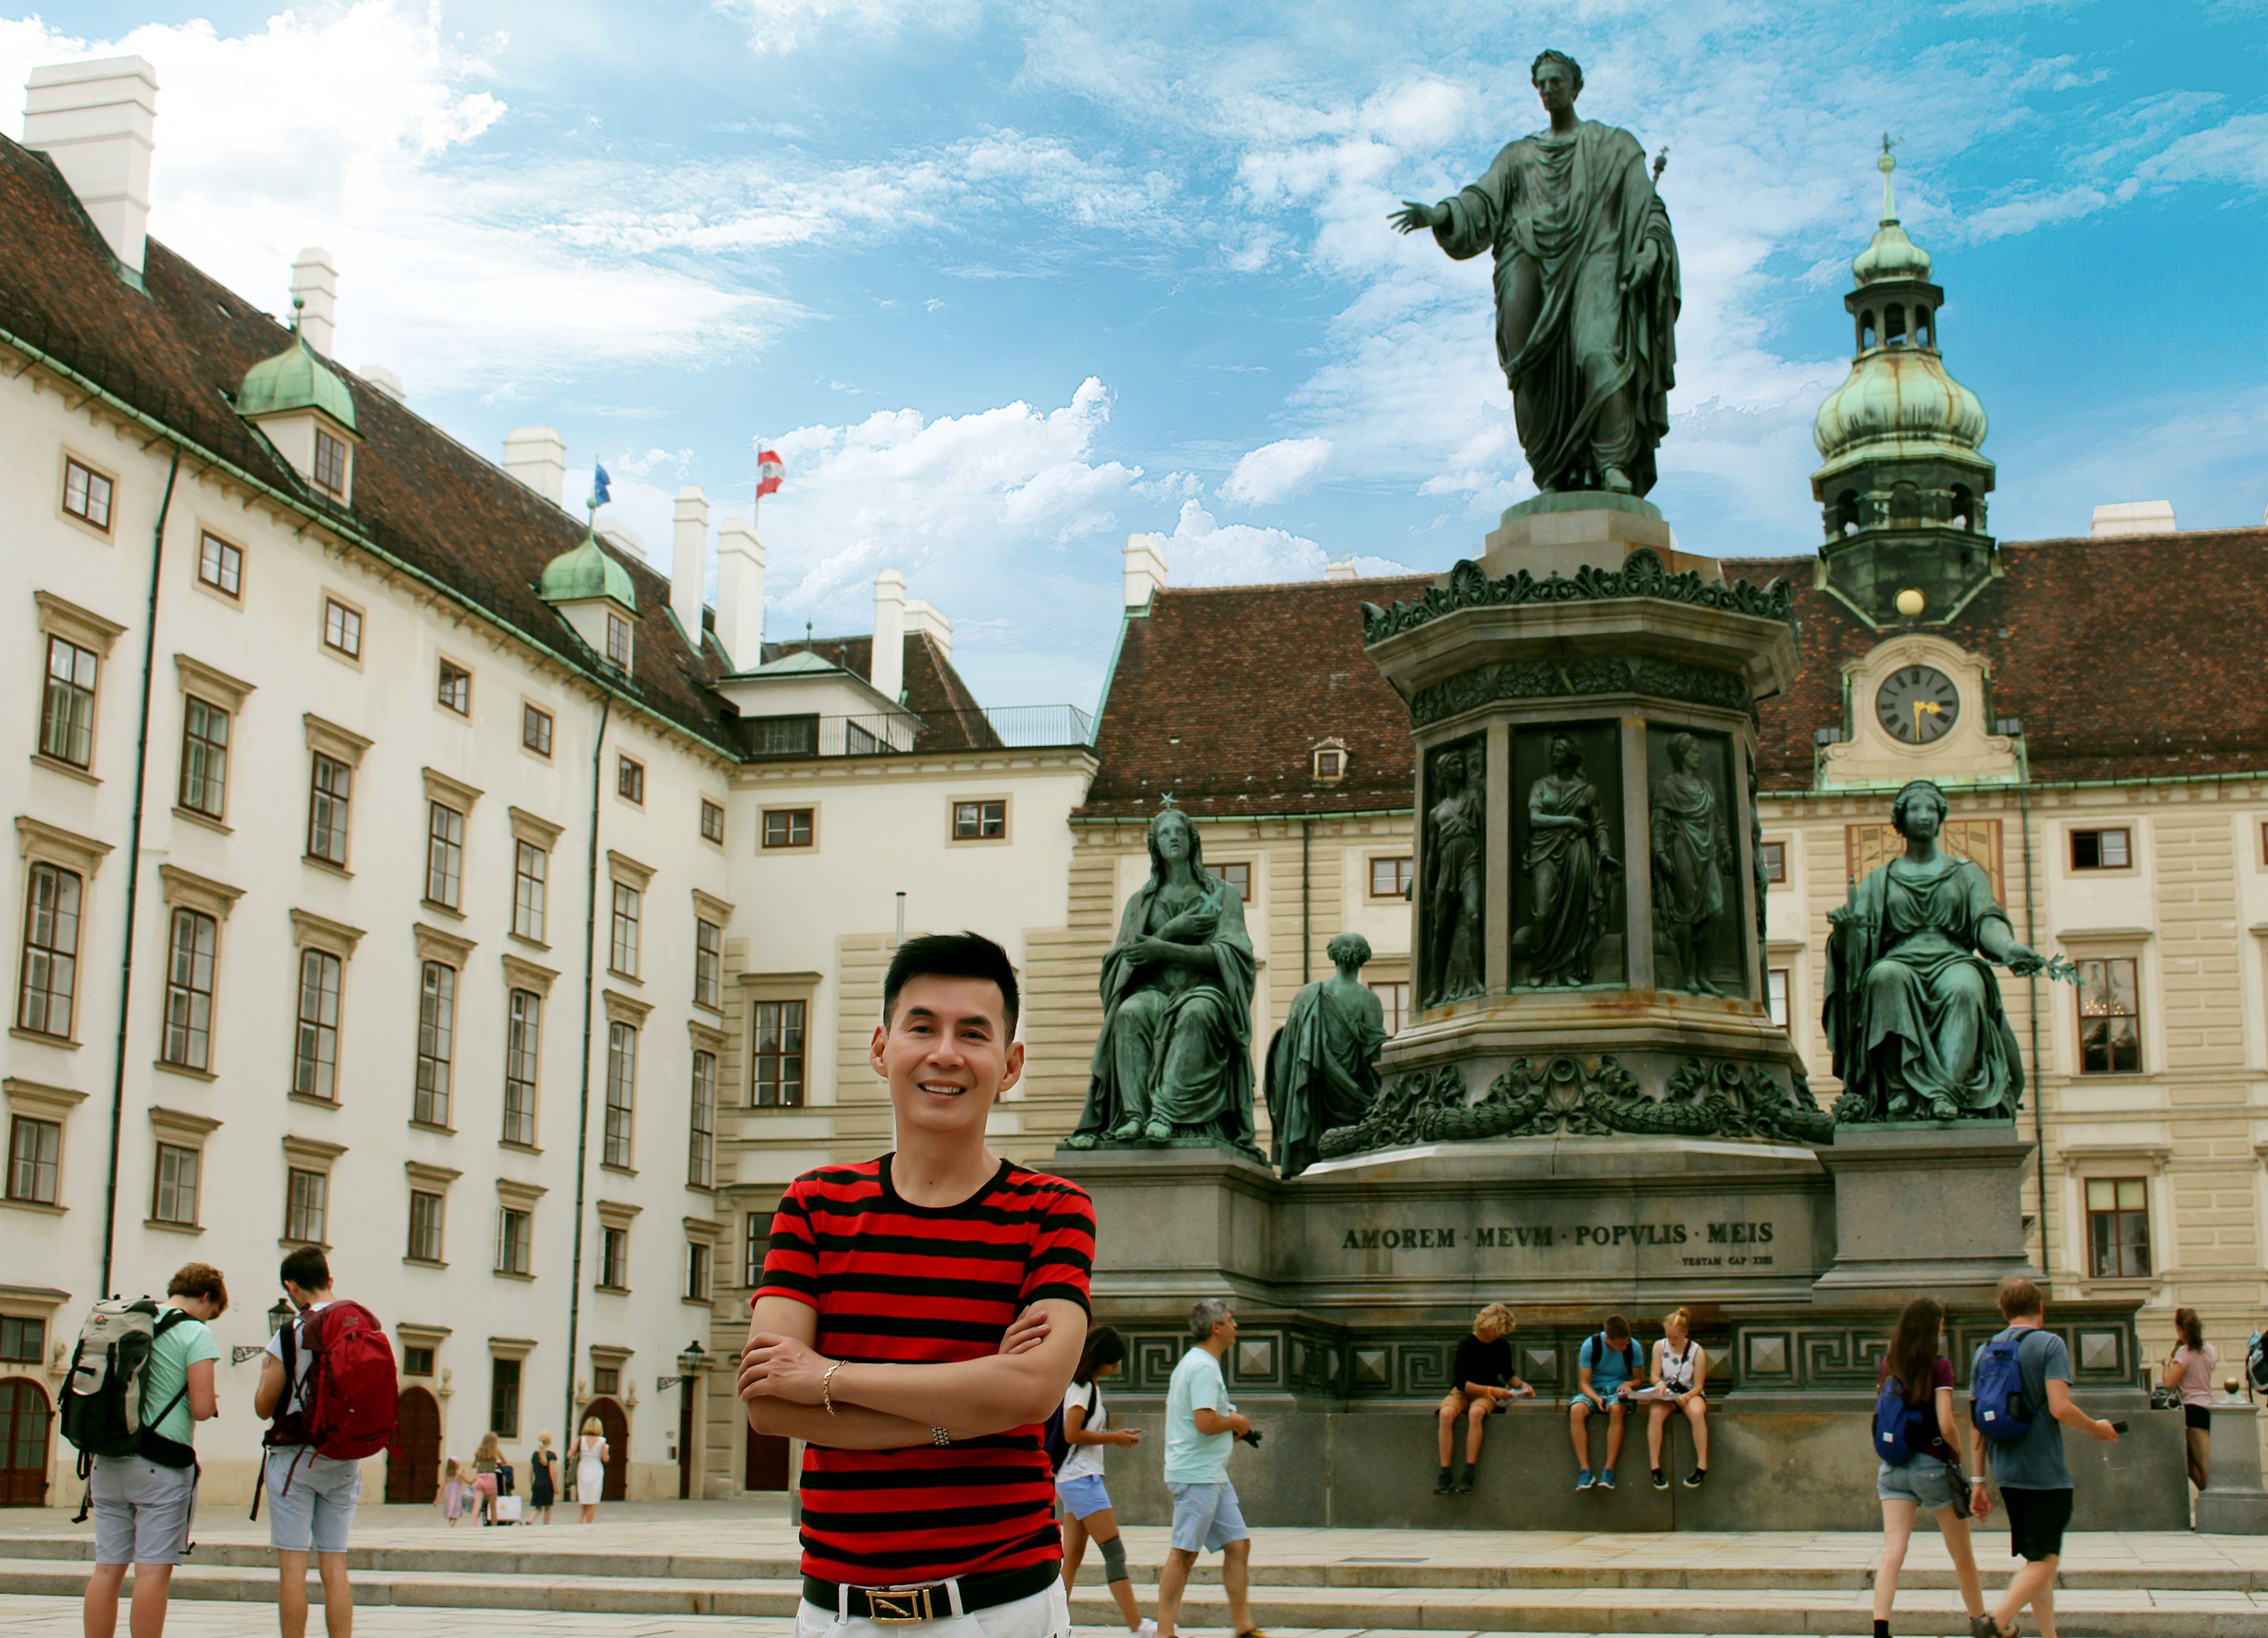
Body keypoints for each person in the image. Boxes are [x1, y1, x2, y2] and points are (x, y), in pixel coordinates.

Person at [740, 932, 1094, 1638]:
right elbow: (772, 1405)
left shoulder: (1053, 1208)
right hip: (838, 1611)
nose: (945, 1053)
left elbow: (1032, 1391)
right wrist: (965, 1406)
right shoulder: (812, 1202)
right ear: (881, 1047)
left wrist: (831, 1375)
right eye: (922, 1026)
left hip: (1001, 1608)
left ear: (1011, 1062)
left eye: (973, 1032)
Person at [1967, 1275, 2120, 1638]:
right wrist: (2098, 1429)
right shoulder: (2049, 1344)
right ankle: (1994, 1622)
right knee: (2046, 1558)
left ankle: (2048, 1635)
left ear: (2004, 1311)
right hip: (2045, 1472)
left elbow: (1976, 1424)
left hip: (2006, 1473)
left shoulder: (1983, 1350)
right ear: (2040, 1309)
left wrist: (1978, 1481)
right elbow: (2060, 1408)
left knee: (2036, 1559)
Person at [82, 1262, 225, 1638]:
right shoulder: (195, 1333)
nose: (210, 1319)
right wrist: (211, 1403)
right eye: (213, 1312)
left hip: (109, 1460)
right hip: (160, 1466)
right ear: (207, 1297)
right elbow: (200, 1406)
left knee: (107, 1569)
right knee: (151, 1572)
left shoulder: (130, 1320)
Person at [255, 1245, 367, 1638]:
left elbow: (264, 1405)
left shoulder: (292, 1330)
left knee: (293, 1567)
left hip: (296, 1458)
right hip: (344, 1457)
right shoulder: (360, 1325)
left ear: (291, 1286)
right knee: (335, 1566)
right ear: (329, 1280)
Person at [1870, 1297, 1988, 1638]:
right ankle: (1980, 1623)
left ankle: (1881, 1629)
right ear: (1930, 1330)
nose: (1942, 1330)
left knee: (1893, 1551)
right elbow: (1946, 1423)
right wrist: (1959, 1452)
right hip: (1931, 1466)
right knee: (1961, 1553)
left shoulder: (1889, 1364)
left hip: (1892, 1468)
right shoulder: (1940, 1366)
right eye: (1940, 1326)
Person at [1156, 1300, 1260, 1638]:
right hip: (1197, 1476)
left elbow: (1183, 1417)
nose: (1236, 1326)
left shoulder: (1198, 1365)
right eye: (1231, 1321)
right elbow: (1204, 1421)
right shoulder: (1202, 1368)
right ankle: (1165, 1632)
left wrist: (1229, 1427)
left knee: (1238, 1544)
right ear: (1216, 1328)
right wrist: (1237, 1422)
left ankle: (1243, 1627)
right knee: (1183, 1554)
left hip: (1211, 1472)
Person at [1058, 1326, 1153, 1637]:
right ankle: (1137, 1625)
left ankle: (1056, 1623)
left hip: (1076, 1478)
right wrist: (1115, 1438)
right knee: (1114, 1552)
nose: (1119, 1366)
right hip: (1081, 1479)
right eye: (1115, 1361)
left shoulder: (1087, 1387)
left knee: (1070, 1560)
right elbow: (1071, 1433)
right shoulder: (1082, 1389)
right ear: (1104, 1361)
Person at [1435, 1303, 1529, 1495]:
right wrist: (1491, 1390)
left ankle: (1469, 1471)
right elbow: (1461, 1383)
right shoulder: (1467, 1344)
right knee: (1445, 1414)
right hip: (1468, 1390)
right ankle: (1445, 1472)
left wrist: (1522, 1386)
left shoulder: (1502, 1346)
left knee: (1476, 1413)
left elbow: (1508, 1373)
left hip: (1487, 1393)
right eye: (1496, 1330)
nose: (1498, 1335)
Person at [1569, 1313, 1641, 1490]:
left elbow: (1639, 1380)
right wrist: (1595, 1398)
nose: (1624, 1347)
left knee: (1616, 1409)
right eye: (1619, 1344)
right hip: (1595, 1390)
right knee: (1577, 1410)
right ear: (1608, 1338)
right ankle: (1585, 1470)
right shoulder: (1591, 1345)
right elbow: (1584, 1383)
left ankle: (1609, 1470)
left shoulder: (1633, 1347)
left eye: (1626, 1343)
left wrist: (1629, 1383)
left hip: (1618, 1390)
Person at [1644, 1308, 1710, 1489]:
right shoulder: (1660, 1346)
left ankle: (1702, 1465)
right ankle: (1655, 1466)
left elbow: (1698, 1386)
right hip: (1667, 1392)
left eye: (1675, 1337)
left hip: (1688, 1391)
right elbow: (1654, 1375)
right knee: (1656, 1413)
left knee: (1697, 1413)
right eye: (1669, 1336)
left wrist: (1687, 1396)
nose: (1672, 1341)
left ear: (1685, 1333)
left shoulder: (1697, 1351)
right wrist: (1659, 1383)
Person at [2161, 1307, 2218, 1494]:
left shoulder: (2184, 1354)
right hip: (2208, 1408)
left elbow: (2169, 1383)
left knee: (2202, 1466)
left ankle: (2214, 1502)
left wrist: (2166, 1365)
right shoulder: (2209, 1350)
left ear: (2179, 1329)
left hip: (2192, 1410)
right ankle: (2211, 1499)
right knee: (2200, 1464)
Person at [573, 1419, 607, 1523]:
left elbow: (570, 1454)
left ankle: (579, 1522)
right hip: (596, 1468)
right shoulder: (602, 1441)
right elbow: (605, 1458)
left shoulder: (580, 1440)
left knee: (583, 1499)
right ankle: (589, 1523)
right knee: (592, 1500)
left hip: (583, 1467)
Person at [471, 1432, 501, 1526]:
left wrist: (480, 1464)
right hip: (491, 1477)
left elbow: (473, 1465)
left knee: (477, 1505)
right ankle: (494, 1526)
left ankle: (472, 1526)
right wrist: (497, 1464)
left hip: (480, 1477)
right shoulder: (496, 1451)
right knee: (493, 1506)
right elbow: (505, 1462)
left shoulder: (479, 1452)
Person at [526, 1432, 558, 1525]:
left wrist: (532, 1484)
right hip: (548, 1484)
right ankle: (546, 1525)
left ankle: (530, 1520)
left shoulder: (535, 1455)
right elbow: (552, 1472)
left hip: (538, 1483)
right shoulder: (551, 1456)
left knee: (538, 1507)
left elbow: (530, 1472)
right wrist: (555, 1486)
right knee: (548, 1507)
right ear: (549, 1441)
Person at [437, 1459, 465, 1526]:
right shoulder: (459, 1475)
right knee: (456, 1510)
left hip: (448, 1493)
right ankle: (451, 1525)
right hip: (457, 1494)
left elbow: (441, 1487)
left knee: (450, 1508)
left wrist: (436, 1499)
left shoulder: (447, 1476)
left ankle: (450, 1524)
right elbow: (469, 1482)